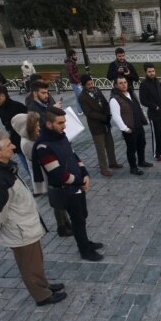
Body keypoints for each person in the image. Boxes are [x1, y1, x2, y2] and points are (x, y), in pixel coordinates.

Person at [0, 130, 67, 306]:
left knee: (35, 261)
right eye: (9, 145)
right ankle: (42, 295)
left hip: (24, 224)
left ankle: (43, 284)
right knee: (29, 265)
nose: (14, 146)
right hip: (19, 229)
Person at [32, 107, 104, 262]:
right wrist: (80, 182)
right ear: (49, 124)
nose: (64, 126)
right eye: (60, 123)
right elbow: (58, 174)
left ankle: (85, 241)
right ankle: (84, 250)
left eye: (64, 122)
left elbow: (73, 156)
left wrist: (84, 173)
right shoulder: (43, 146)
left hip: (76, 186)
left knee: (82, 216)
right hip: (66, 190)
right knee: (77, 220)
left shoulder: (61, 136)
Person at [11, 112, 73, 237]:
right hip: (47, 174)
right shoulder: (27, 143)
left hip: (49, 171)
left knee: (59, 198)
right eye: (35, 125)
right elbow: (39, 159)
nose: (38, 127)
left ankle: (66, 222)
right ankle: (61, 226)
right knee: (57, 201)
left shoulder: (33, 138)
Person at [78, 74, 123, 176]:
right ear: (84, 85)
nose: (91, 85)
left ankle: (113, 162)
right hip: (96, 125)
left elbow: (105, 102)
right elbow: (89, 113)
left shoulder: (97, 90)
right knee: (100, 148)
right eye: (88, 84)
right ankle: (103, 168)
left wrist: (108, 113)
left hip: (105, 123)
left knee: (110, 144)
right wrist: (103, 117)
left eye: (91, 83)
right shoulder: (82, 97)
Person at [110, 76, 153, 176]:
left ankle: (141, 161)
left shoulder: (131, 93)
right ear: (116, 85)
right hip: (129, 128)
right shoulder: (114, 99)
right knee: (131, 148)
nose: (124, 84)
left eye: (125, 82)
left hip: (138, 124)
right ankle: (133, 167)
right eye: (121, 83)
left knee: (141, 144)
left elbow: (138, 107)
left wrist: (144, 117)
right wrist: (124, 128)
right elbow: (116, 116)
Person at [0, 86, 29, 174]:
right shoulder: (1, 108)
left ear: (2, 96)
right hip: (16, 144)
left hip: (25, 142)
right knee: (27, 168)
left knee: (32, 168)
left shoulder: (17, 107)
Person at [139, 62, 161, 161]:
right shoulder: (144, 84)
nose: (152, 73)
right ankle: (156, 154)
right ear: (145, 72)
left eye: (153, 71)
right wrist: (155, 106)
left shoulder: (157, 81)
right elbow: (143, 100)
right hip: (154, 115)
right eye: (149, 72)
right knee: (156, 135)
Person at [64, 49, 84, 115]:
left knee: (77, 96)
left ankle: (80, 111)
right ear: (70, 56)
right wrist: (77, 81)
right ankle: (80, 111)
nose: (76, 56)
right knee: (79, 97)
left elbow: (74, 73)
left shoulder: (71, 62)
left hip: (75, 82)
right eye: (74, 55)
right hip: (75, 83)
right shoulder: (69, 63)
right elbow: (71, 74)